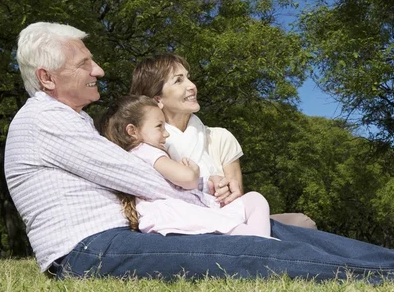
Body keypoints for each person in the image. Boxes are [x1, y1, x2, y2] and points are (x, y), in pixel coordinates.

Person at [5, 21, 394, 284]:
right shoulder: (43, 120)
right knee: (242, 252)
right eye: (85, 62)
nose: (98, 69)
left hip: (117, 239)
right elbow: (136, 176)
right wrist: (204, 188)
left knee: (271, 229)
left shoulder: (70, 120)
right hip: (88, 252)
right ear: (47, 77)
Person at [129, 53, 318, 230]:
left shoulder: (220, 137)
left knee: (301, 223)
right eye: (179, 80)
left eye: (188, 77)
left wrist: (228, 190)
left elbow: (238, 202)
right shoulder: (145, 146)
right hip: (179, 226)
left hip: (228, 220)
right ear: (157, 99)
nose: (192, 85)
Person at [100, 94, 272, 238]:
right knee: (250, 207)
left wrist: (209, 181)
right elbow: (188, 180)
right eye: (159, 126)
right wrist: (194, 171)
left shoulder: (137, 154)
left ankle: (262, 243)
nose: (165, 133)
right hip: (180, 213)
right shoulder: (146, 151)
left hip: (179, 213)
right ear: (132, 131)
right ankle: (264, 247)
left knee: (252, 202)